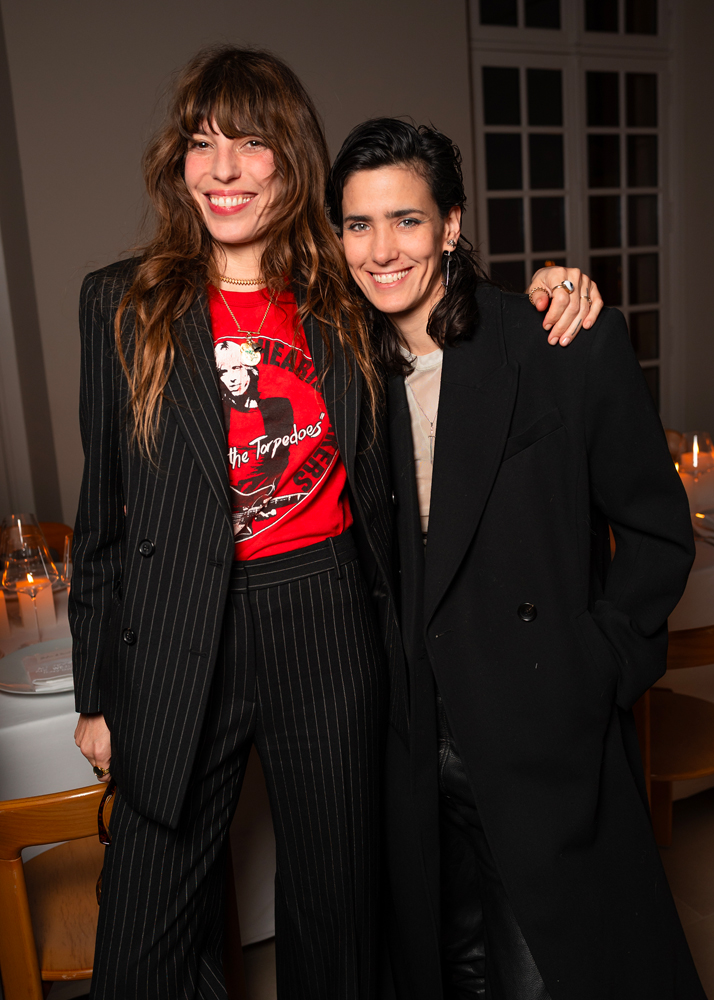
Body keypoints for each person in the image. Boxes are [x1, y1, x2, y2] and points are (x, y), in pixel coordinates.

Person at [70, 46, 601, 1000]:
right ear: (178, 161)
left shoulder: (344, 297)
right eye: (202, 143)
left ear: (292, 158)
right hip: (184, 626)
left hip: (326, 615)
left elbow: (446, 303)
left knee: (337, 917)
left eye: (251, 143)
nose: (223, 169)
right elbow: (101, 517)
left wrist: (552, 287)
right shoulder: (121, 303)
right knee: (141, 943)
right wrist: (98, 689)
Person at [327, 119, 704, 1000]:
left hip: (538, 727)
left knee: (557, 972)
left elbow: (657, 531)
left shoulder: (557, 340)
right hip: (409, 747)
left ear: (451, 224)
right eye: (358, 225)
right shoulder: (341, 369)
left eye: (407, 220)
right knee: (449, 973)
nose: (382, 251)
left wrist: (594, 667)